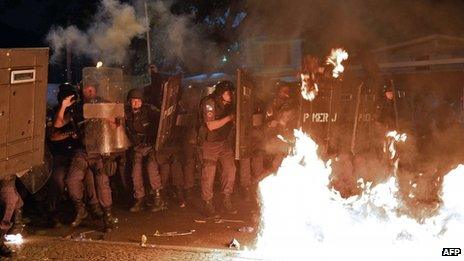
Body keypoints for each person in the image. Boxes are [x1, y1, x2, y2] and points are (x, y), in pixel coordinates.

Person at [63, 84, 117, 232]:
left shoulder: (103, 103)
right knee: (71, 180)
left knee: (102, 182)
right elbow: (59, 122)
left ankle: (108, 216)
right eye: (86, 89)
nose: (89, 91)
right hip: (83, 150)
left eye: (91, 89)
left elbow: (116, 126)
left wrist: (106, 117)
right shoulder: (78, 106)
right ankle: (81, 209)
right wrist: (63, 106)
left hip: (100, 152)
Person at [198, 81, 237, 217]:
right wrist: (229, 118)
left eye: (231, 93)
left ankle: (226, 199)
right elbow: (211, 126)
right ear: (220, 94)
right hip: (209, 142)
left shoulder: (231, 104)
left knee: (230, 169)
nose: (230, 95)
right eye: (227, 93)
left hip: (224, 142)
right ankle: (207, 203)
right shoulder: (209, 103)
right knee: (209, 173)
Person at [125, 88, 167, 212]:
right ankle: (140, 199)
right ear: (130, 101)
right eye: (133, 100)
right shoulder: (126, 113)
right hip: (137, 146)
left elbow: (163, 118)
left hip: (151, 145)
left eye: (138, 100)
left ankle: (158, 198)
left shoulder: (149, 111)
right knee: (135, 171)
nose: (136, 103)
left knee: (151, 167)